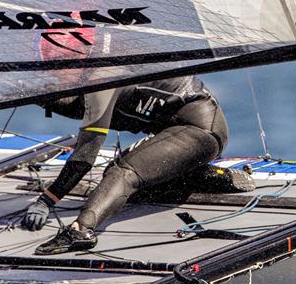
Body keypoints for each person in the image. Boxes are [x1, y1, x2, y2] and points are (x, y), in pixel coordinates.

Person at [21, 76, 228, 255]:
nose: (54, 76)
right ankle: (194, 177)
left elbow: (84, 157)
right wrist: (31, 93)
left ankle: (81, 230)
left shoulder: (100, 87)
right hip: (181, 130)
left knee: (122, 174)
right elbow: (74, 105)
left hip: (199, 132)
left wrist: (46, 200)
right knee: (122, 184)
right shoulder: (97, 76)